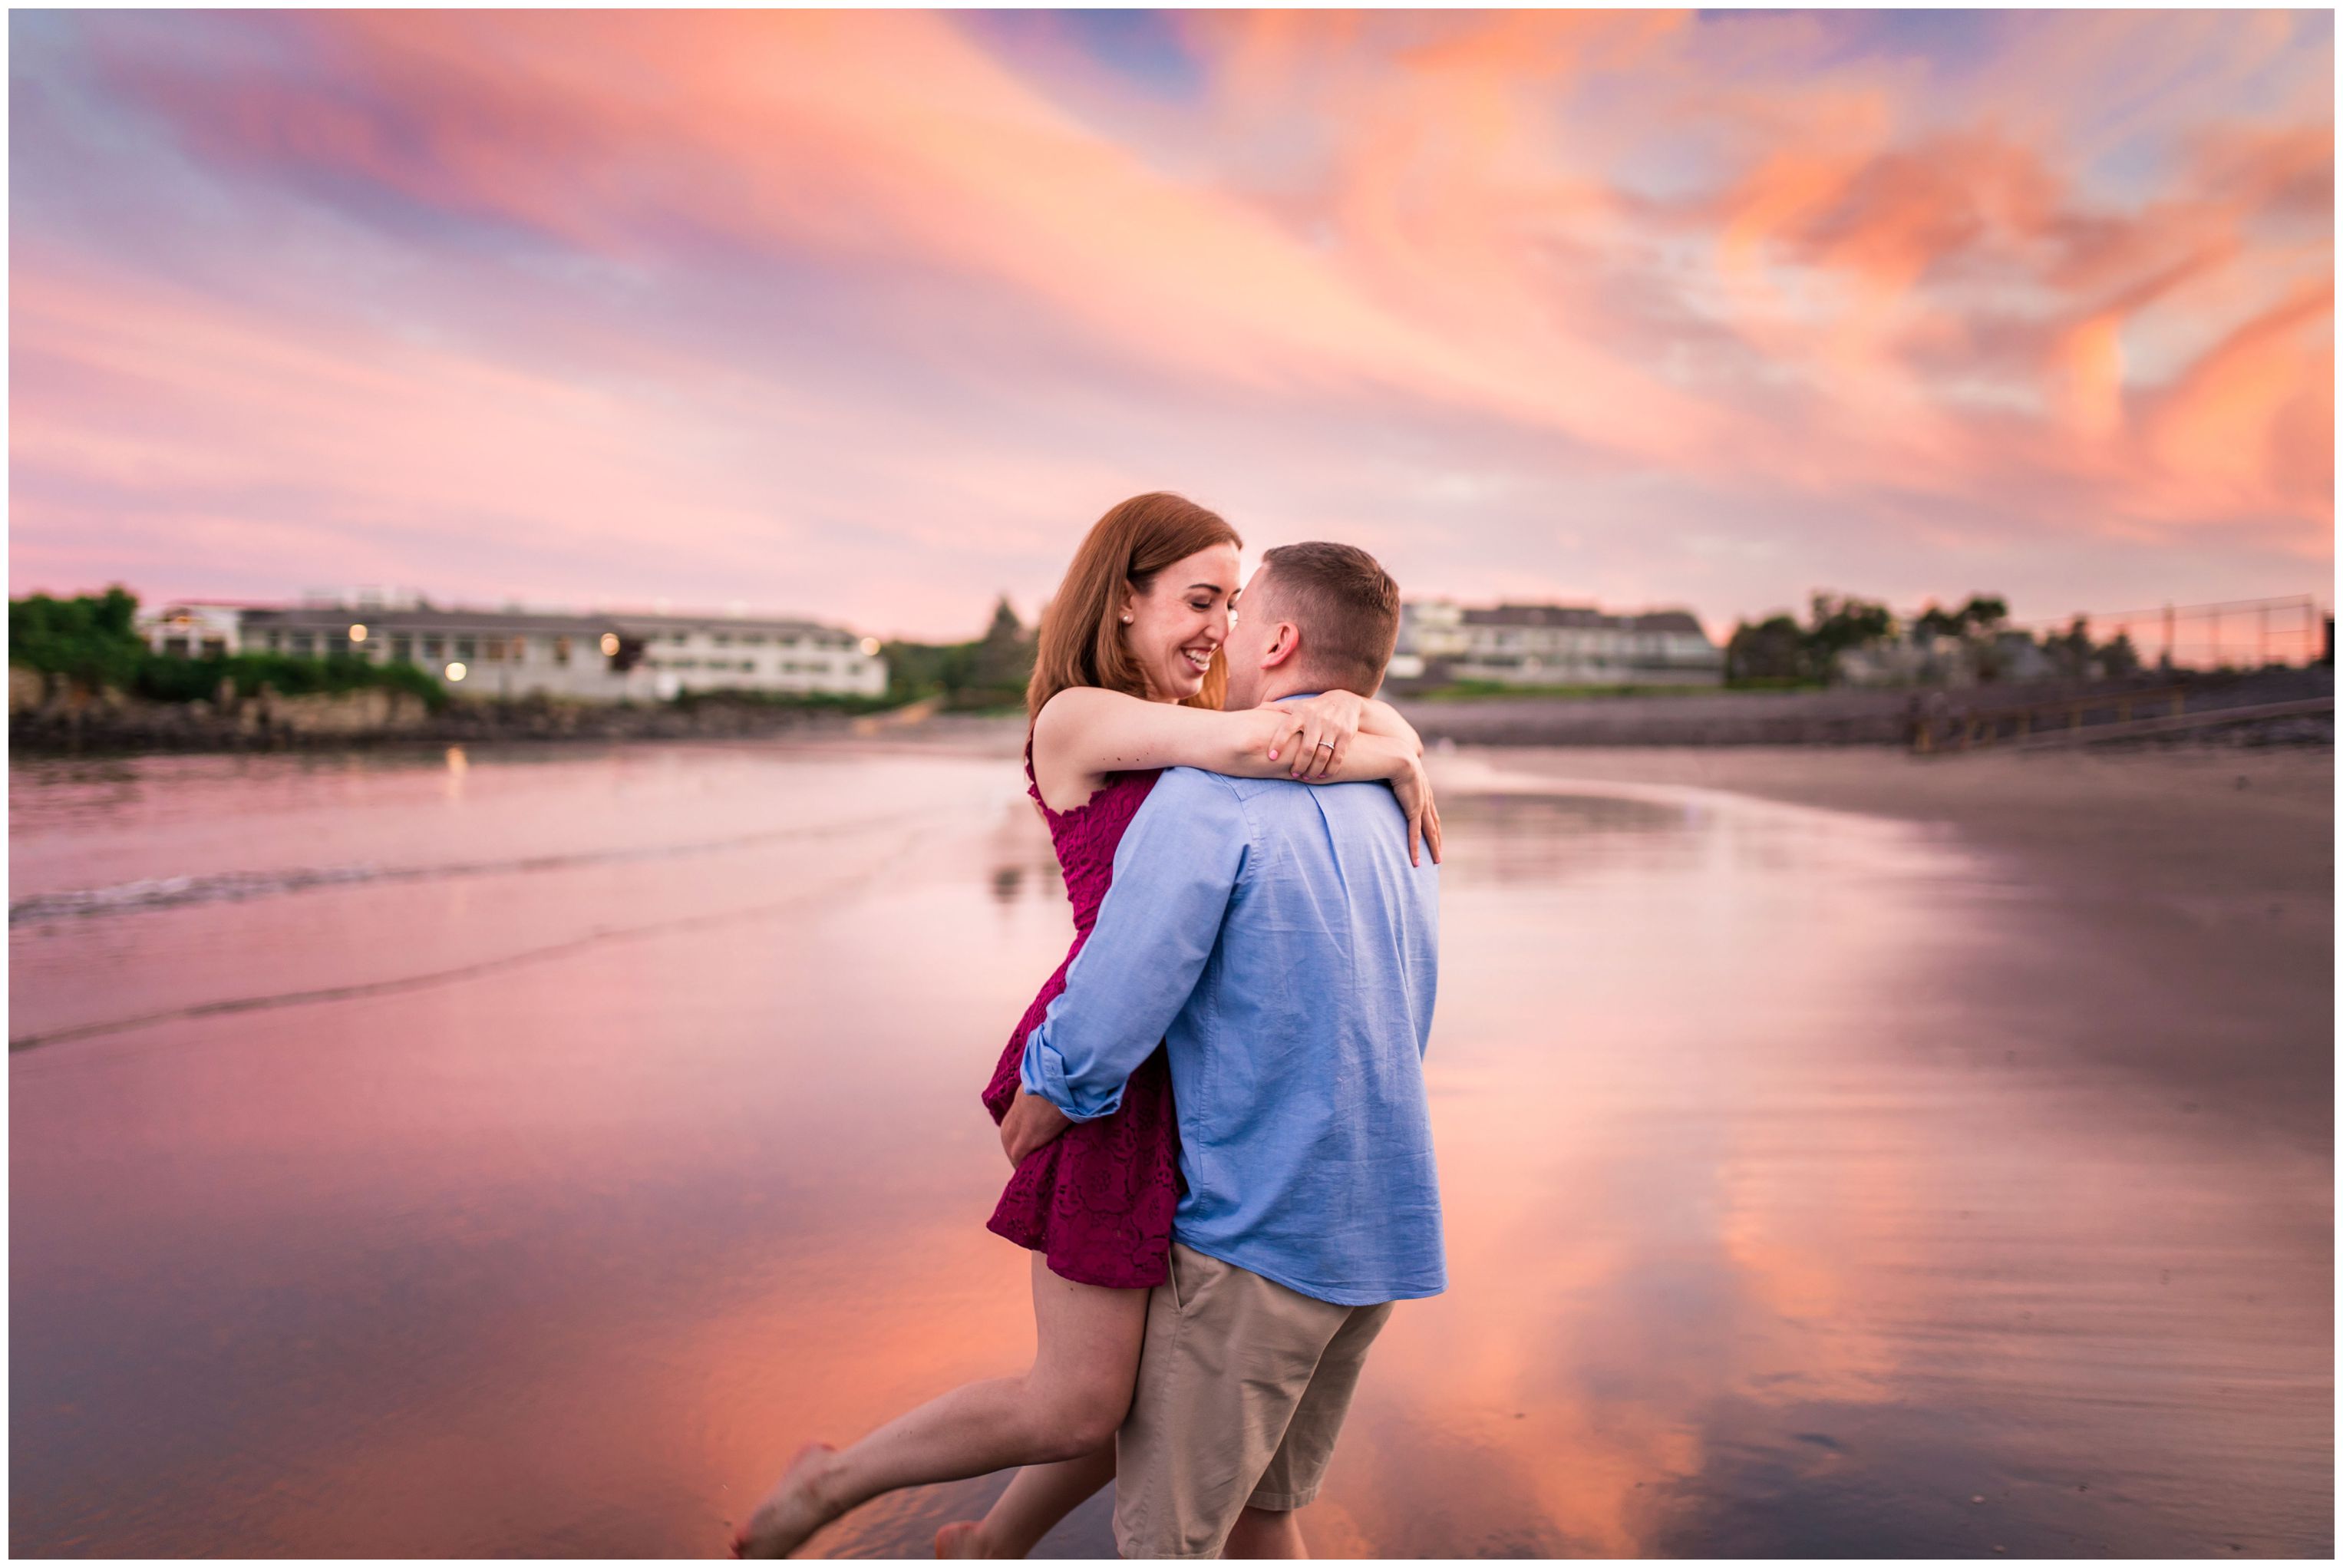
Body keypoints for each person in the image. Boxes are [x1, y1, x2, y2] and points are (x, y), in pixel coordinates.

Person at [730, 497, 1440, 1560]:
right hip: (1112, 1066)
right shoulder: (1080, 718)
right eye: (1199, 600)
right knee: (1078, 1402)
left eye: (1233, 605)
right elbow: (1255, 739)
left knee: (1137, 1398)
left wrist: (1375, 727)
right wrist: (1374, 732)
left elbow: (1275, 730)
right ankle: (830, 1483)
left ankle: (986, 1546)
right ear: (1120, 600)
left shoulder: (1224, 738)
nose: (1215, 626)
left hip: (1187, 1069)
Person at [1001, 540, 1447, 1559]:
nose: (1224, 637)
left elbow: (1128, 978)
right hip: (1380, 1225)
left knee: (1170, 1542)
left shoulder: (1209, 796)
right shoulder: (1396, 799)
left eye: (1239, 613)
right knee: (1264, 1520)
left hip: (1261, 1231)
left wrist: (1051, 1089)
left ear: (1279, 640)